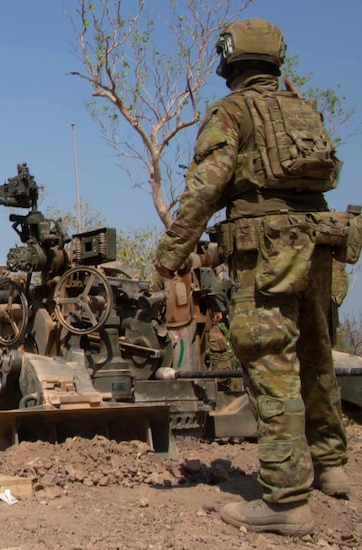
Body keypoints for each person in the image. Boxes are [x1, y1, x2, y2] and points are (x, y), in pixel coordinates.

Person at [153, 18, 350, 536]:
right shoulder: (302, 106)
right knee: (316, 352)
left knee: (270, 362)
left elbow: (206, 187)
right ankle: (331, 466)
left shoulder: (231, 111)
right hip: (318, 243)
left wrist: (172, 252)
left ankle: (285, 500)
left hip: (266, 251)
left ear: (228, 59)